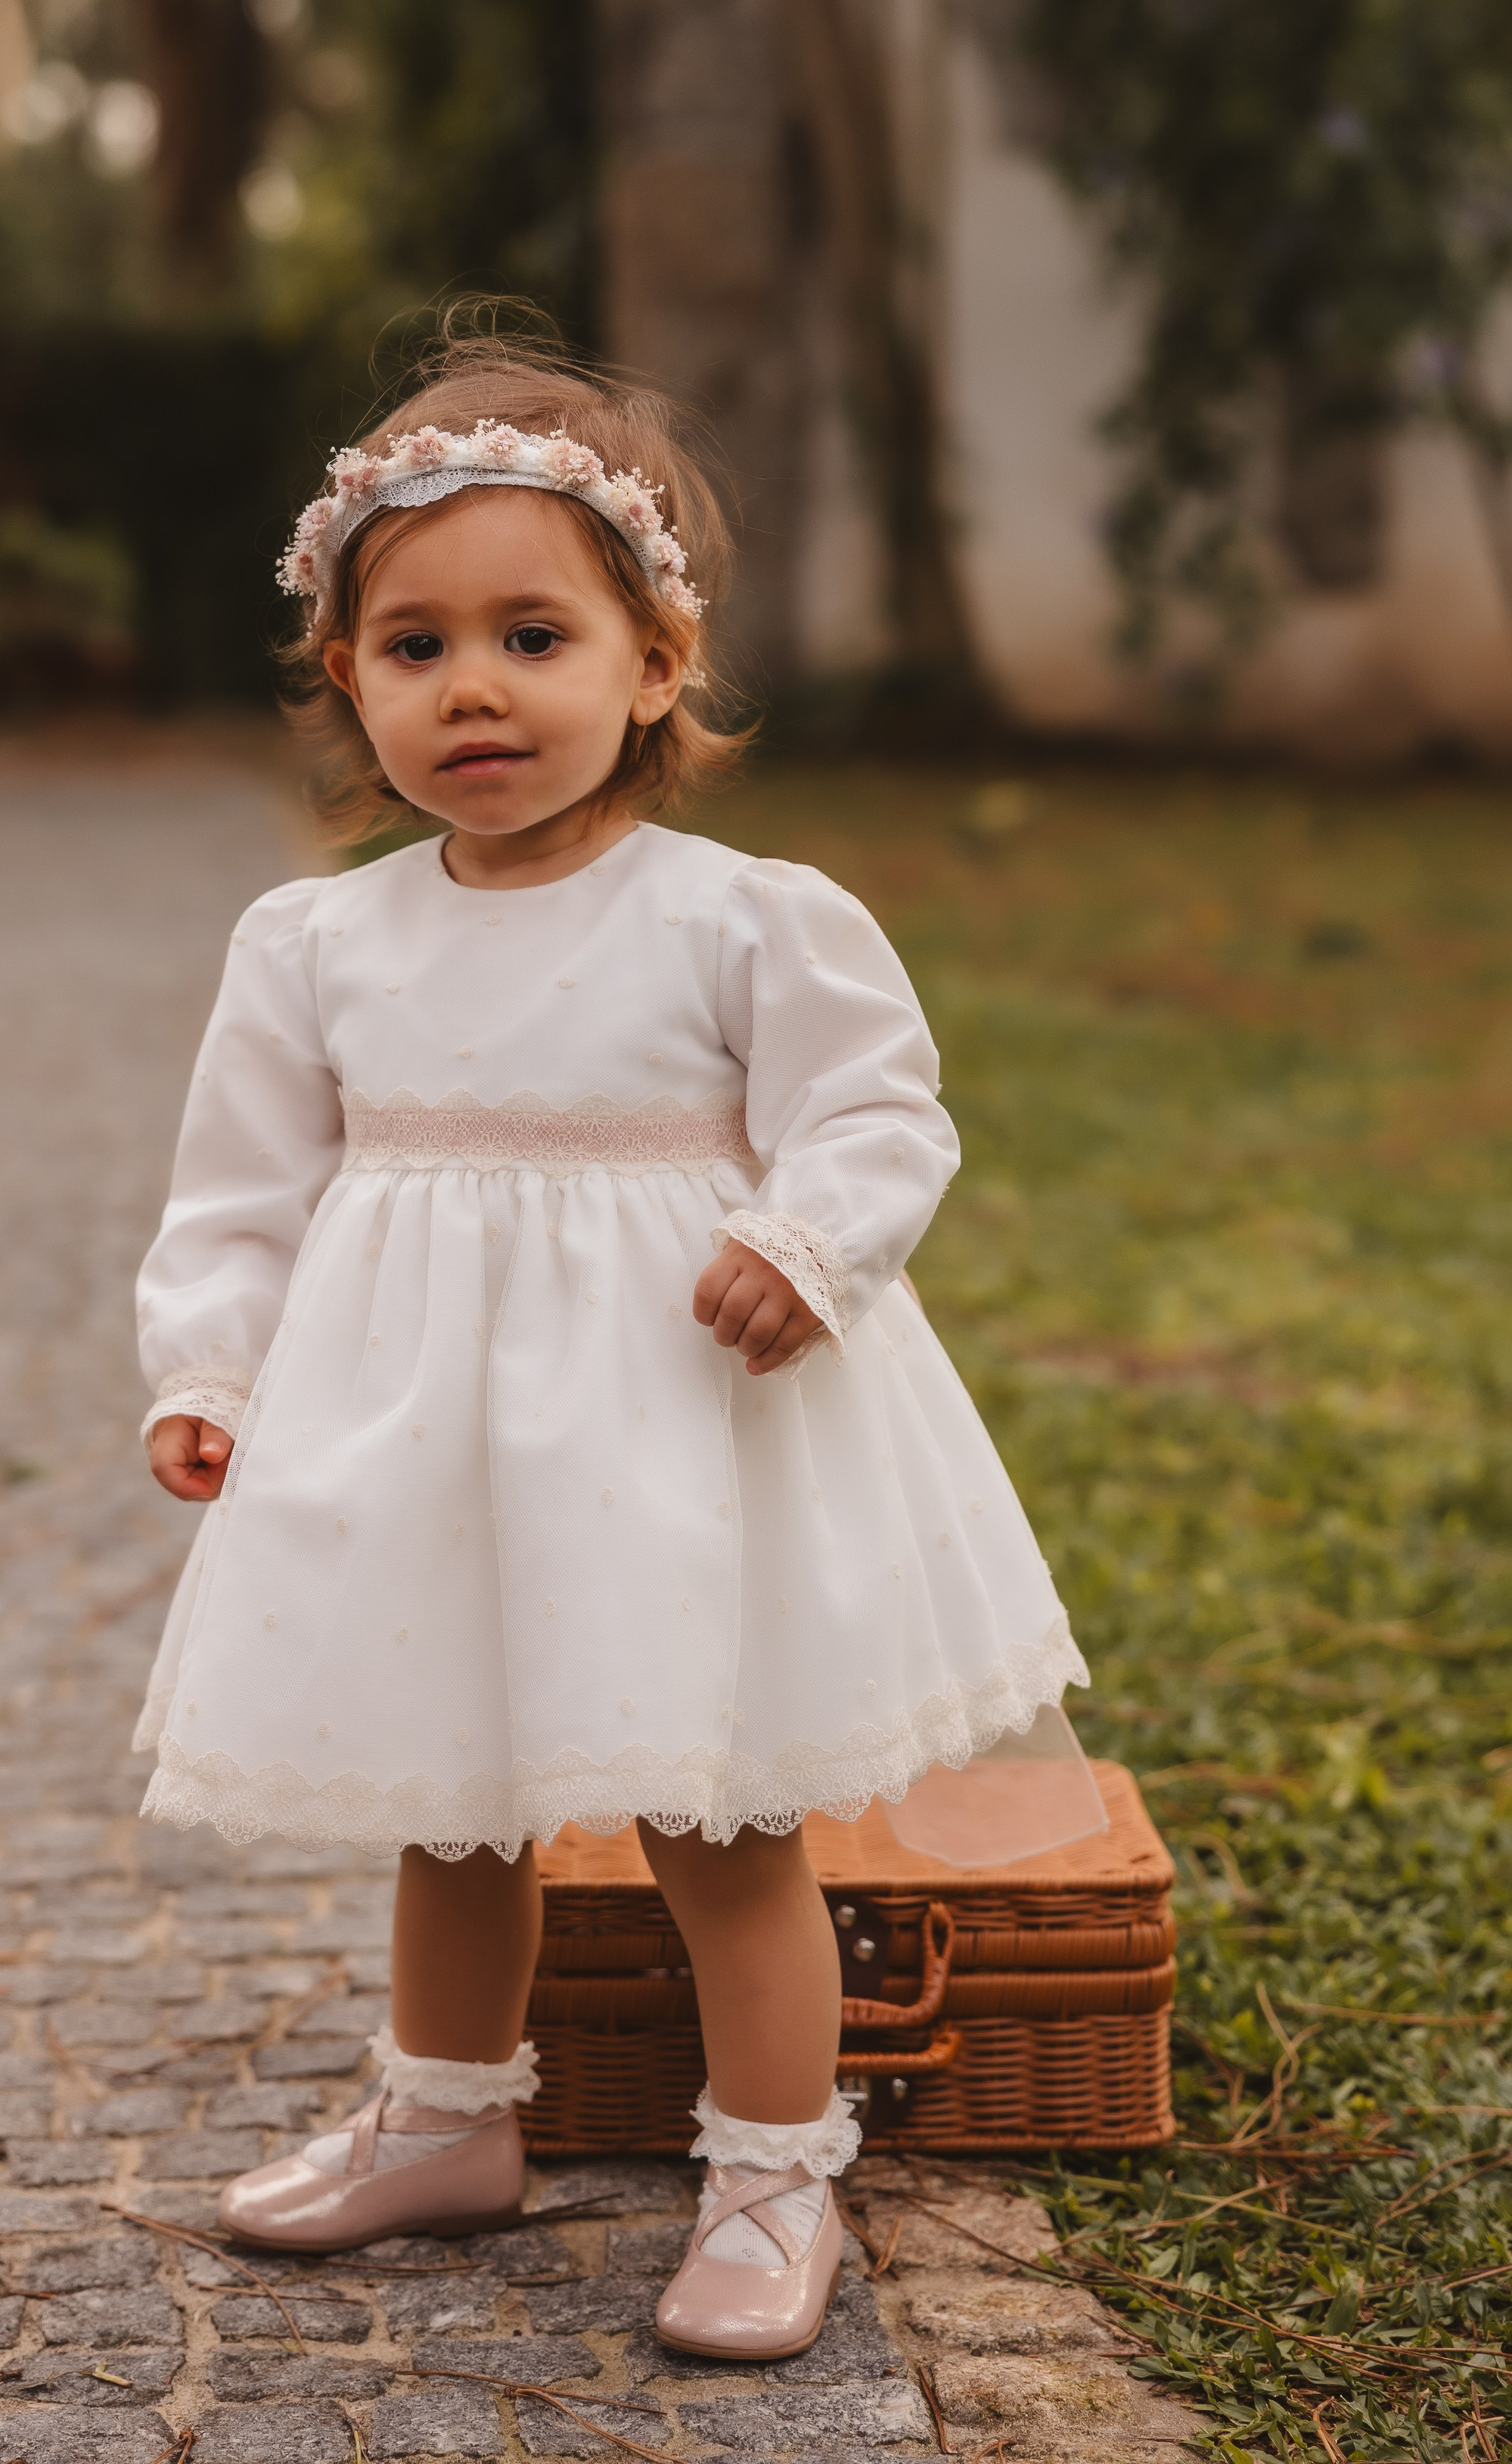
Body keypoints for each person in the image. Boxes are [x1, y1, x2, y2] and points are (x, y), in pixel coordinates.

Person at [132, 336, 1087, 2360]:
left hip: (672, 1417)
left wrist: (806, 1238)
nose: (471, 686)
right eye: (412, 647)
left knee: (720, 1808)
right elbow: (240, 1191)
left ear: (655, 663)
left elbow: (879, 1108)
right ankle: (448, 2114)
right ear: (349, 686)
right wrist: (210, 1369)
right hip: (426, 1438)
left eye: (533, 633)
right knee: (452, 1794)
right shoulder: (318, 945)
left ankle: (767, 2169)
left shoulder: (744, 919)